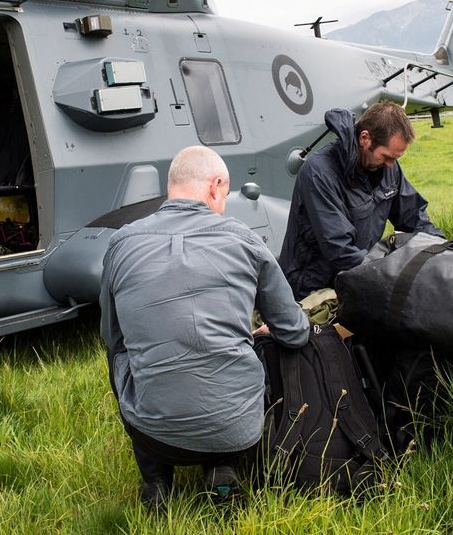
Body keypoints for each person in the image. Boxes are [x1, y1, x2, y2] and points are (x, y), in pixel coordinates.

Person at [100, 146, 310, 509]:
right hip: (239, 431)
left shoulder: (120, 244)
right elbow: (295, 331)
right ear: (215, 186)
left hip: (153, 434)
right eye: (225, 194)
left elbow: (112, 335)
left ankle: (156, 481)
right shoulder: (246, 240)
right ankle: (222, 468)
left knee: (119, 355)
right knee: (251, 349)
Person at [279, 102, 443, 300]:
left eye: (396, 158)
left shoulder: (388, 169)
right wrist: (389, 275)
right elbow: (340, 249)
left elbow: (414, 217)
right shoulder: (319, 173)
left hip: (357, 276)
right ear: (365, 138)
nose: (392, 165)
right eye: (387, 156)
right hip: (312, 288)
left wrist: (443, 249)